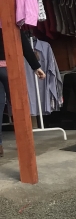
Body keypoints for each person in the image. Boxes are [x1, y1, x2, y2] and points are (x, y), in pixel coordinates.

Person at [0, 27, 46, 157]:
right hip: (9, 68)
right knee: (18, 107)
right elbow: (23, 43)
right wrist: (36, 66)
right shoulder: (7, 18)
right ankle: (25, 145)